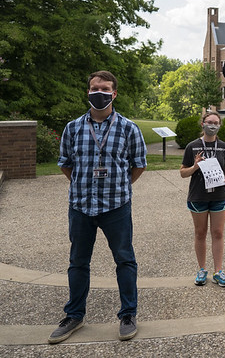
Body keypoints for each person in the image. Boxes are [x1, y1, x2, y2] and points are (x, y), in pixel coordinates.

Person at [49, 71, 147, 344]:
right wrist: (84, 185)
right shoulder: (73, 128)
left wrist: (120, 186)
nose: (99, 93)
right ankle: (74, 315)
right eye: (95, 88)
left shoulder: (129, 128)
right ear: (88, 92)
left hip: (116, 206)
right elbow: (65, 164)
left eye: (105, 89)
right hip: (81, 206)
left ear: (114, 94)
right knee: (78, 262)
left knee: (125, 260)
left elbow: (139, 165)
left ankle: (128, 314)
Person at [179, 111, 225, 287]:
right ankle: (202, 269)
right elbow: (182, 173)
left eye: (216, 123)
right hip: (198, 196)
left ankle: (218, 271)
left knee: (218, 233)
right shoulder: (193, 147)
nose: (212, 125)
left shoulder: (224, 147)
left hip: (219, 196)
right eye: (209, 122)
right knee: (200, 233)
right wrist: (195, 166)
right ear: (202, 124)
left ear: (220, 125)